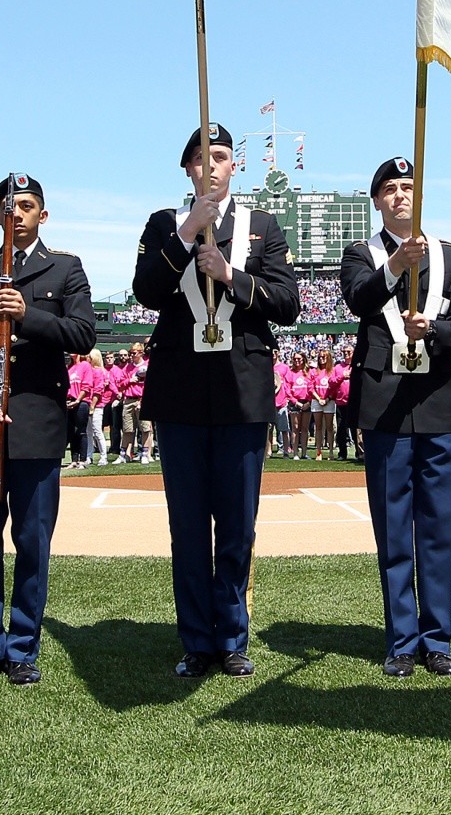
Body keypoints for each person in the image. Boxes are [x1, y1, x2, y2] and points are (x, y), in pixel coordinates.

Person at [131, 123, 299, 679]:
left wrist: (231, 275)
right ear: (188, 170)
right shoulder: (163, 224)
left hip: (241, 391)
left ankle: (232, 636)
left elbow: (287, 303)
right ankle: (196, 640)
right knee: (186, 526)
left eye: (222, 157)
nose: (213, 166)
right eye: (202, 158)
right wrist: (187, 235)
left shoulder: (263, 227)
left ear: (234, 168)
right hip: (181, 392)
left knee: (236, 523)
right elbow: (147, 291)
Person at [0, 174, 95, 686]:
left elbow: (81, 332)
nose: (19, 214)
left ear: (43, 215)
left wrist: (28, 315)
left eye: (28, 206)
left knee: (32, 541)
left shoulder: (66, 268)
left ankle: (23, 647)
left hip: (37, 424)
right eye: (10, 207)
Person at [340, 156, 451, 677]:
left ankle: (438, 639)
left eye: (409, 187)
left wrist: (436, 332)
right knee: (394, 528)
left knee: (440, 528)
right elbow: (358, 299)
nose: (401, 195)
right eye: (391, 189)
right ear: (377, 201)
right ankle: (401, 640)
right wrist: (398, 264)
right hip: (384, 405)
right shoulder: (362, 253)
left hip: (438, 402)